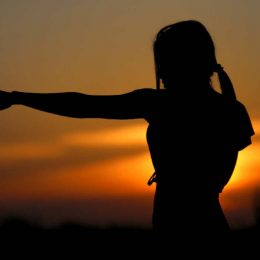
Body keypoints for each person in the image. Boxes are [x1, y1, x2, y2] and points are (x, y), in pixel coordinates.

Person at [0, 20, 254, 234]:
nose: (161, 72)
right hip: (211, 227)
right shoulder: (232, 110)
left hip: (177, 227)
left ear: (183, 62)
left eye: (165, 62)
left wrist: (18, 97)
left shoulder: (161, 105)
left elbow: (84, 106)